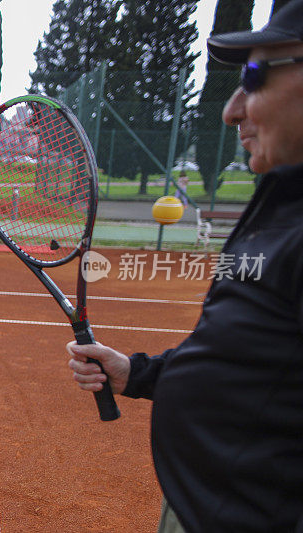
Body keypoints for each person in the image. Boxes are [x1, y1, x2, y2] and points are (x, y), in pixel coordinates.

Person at [67, 2, 303, 532]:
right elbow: (240, 354)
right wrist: (139, 373)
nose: (232, 108)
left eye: (255, 75)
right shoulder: (280, 207)